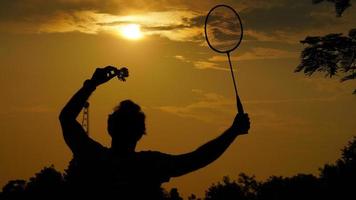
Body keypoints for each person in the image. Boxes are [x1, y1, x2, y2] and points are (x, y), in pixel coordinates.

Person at [59, 66, 250, 199]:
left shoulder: (95, 158)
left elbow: (66, 118)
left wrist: (92, 84)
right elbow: (197, 159)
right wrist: (233, 132)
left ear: (109, 128)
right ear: (141, 132)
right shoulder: (149, 165)